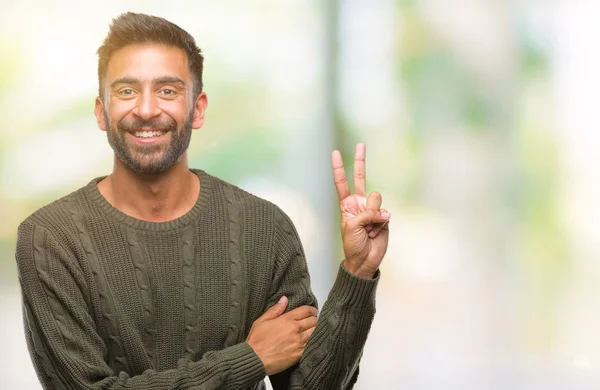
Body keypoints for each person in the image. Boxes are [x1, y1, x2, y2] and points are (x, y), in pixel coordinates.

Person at [15, 12, 390, 390]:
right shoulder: (50, 239)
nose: (146, 109)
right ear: (101, 111)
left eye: (168, 90)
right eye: (127, 91)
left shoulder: (264, 227)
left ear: (198, 109)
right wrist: (251, 357)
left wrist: (357, 272)